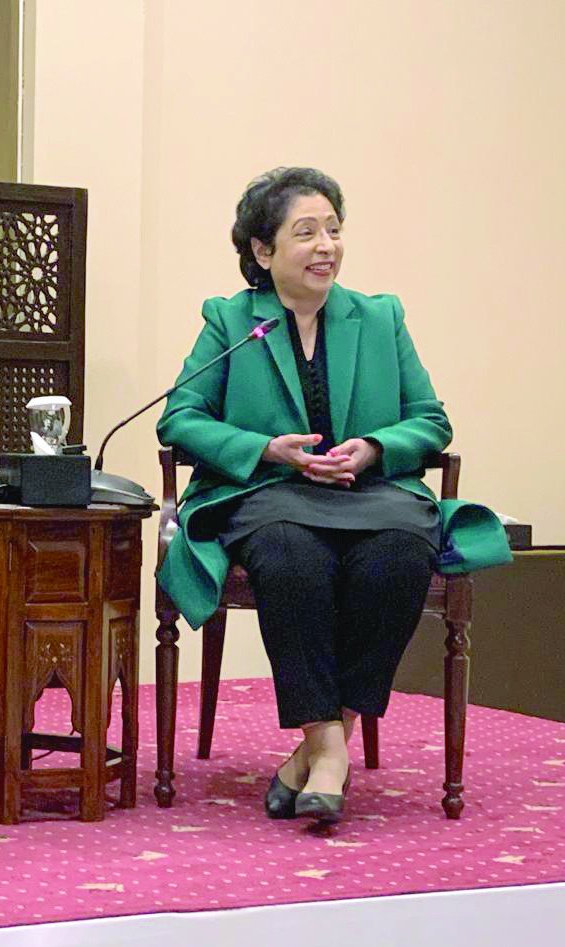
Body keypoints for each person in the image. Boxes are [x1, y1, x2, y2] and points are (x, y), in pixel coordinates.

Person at [156, 167, 510, 824]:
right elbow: (180, 418)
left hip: (372, 496)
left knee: (403, 556)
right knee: (291, 557)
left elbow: (430, 419)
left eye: (334, 231)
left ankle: (316, 756)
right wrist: (266, 448)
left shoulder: (378, 317)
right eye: (306, 232)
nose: (327, 246)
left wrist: (375, 448)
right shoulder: (231, 320)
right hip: (271, 496)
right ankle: (330, 748)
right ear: (263, 252)